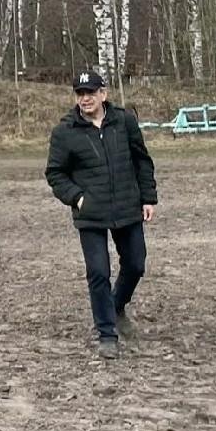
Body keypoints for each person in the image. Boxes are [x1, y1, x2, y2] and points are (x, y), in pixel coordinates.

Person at [45, 70, 158, 360]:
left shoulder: (124, 121)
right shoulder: (64, 132)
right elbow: (55, 174)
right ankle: (107, 333)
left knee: (136, 264)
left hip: (127, 206)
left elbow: (142, 160)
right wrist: (77, 197)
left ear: (103, 94)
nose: (85, 99)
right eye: (80, 94)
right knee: (98, 272)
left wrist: (148, 197)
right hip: (91, 213)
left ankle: (116, 305)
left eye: (91, 93)